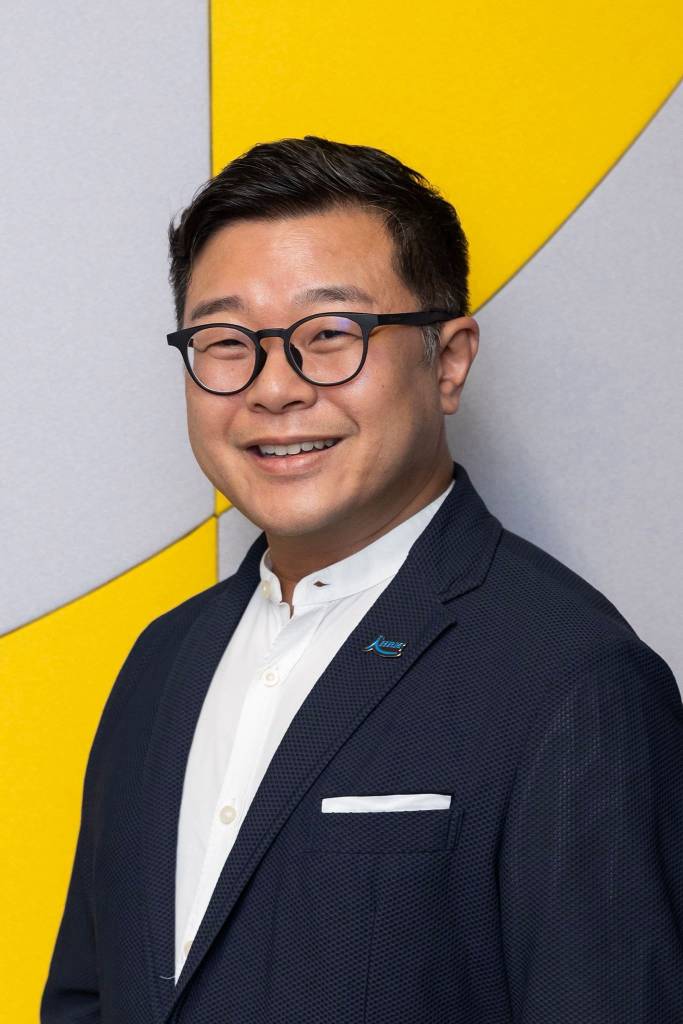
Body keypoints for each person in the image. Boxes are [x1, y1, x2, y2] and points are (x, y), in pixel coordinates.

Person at [42, 136, 683, 1023]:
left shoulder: (572, 678)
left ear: (447, 360)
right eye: (225, 341)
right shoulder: (161, 661)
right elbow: (89, 998)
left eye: (329, 335)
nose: (274, 388)